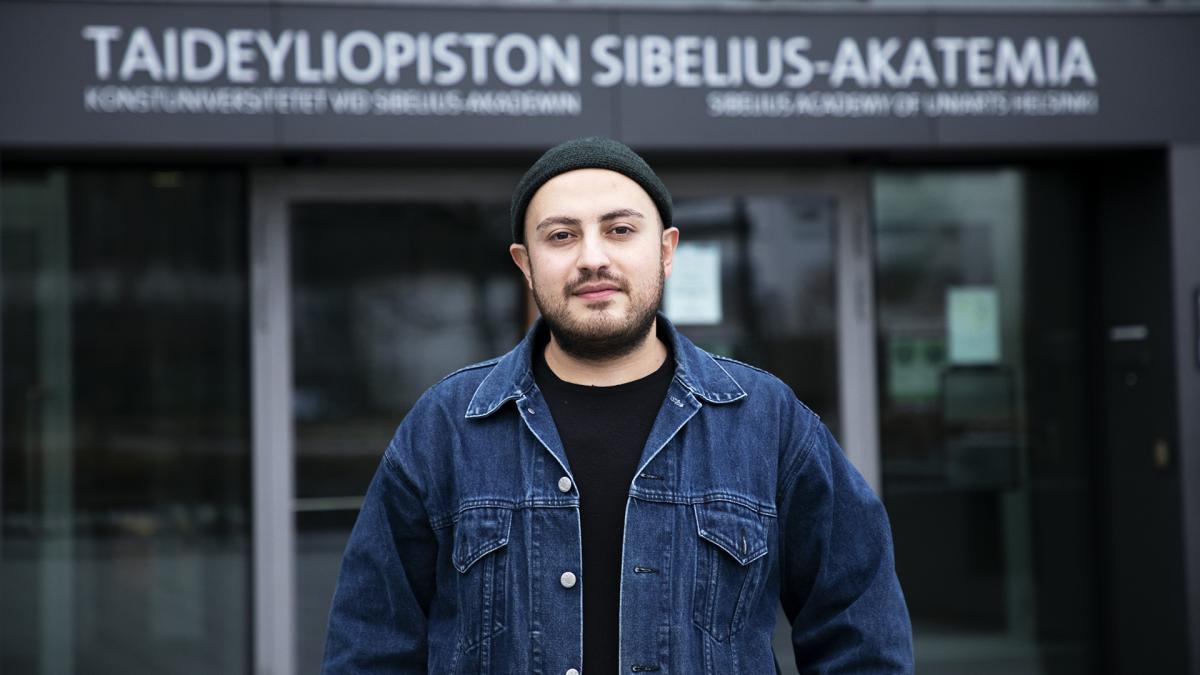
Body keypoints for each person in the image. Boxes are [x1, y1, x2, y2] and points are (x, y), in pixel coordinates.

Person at [322, 136, 913, 674]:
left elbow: (861, 632)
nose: (592, 258)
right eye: (561, 236)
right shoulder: (446, 426)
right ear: (525, 265)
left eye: (620, 230)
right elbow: (372, 646)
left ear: (666, 250)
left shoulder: (765, 419)